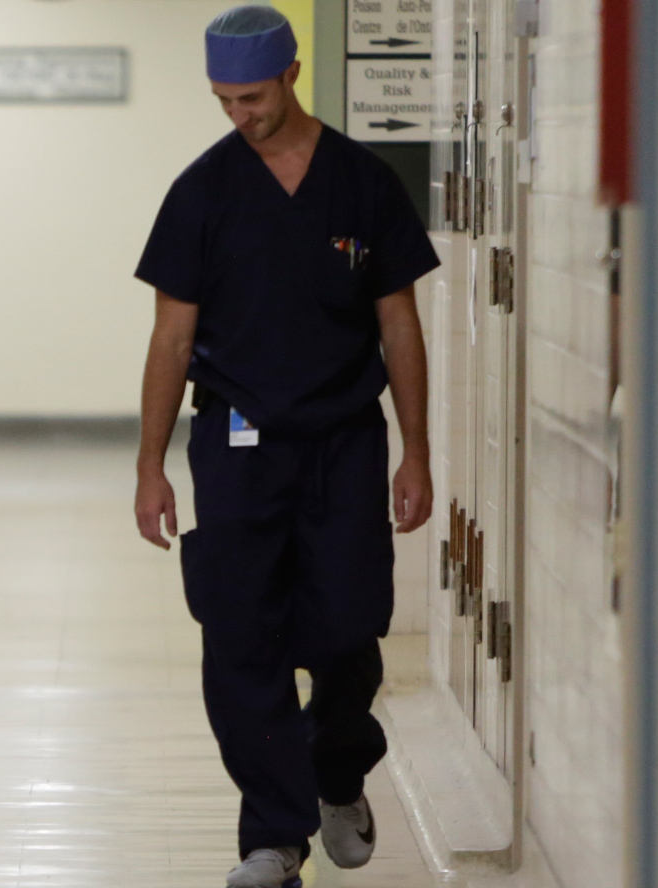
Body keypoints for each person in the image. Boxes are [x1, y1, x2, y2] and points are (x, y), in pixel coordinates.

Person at [132, 6, 441, 887]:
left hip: (343, 442)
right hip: (234, 444)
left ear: (293, 73)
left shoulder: (364, 183)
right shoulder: (202, 192)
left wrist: (415, 451)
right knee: (240, 640)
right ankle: (272, 838)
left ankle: (338, 769)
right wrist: (150, 464)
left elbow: (399, 324)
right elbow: (169, 339)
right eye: (224, 100)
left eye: (254, 97)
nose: (240, 114)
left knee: (347, 630)